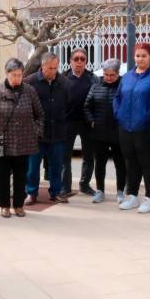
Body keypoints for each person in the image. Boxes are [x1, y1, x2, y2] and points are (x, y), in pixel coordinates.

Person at [0, 58, 43, 218]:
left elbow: (40, 115)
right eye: (14, 75)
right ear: (6, 73)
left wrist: (36, 132)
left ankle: (18, 205)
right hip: (1, 141)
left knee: (21, 175)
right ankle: (4, 206)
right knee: (2, 176)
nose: (17, 78)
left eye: (19, 75)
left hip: (24, 141)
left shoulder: (29, 91)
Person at [114, 42, 150, 214]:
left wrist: (145, 117)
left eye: (144, 55)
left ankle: (149, 198)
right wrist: (118, 114)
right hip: (126, 127)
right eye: (138, 55)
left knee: (147, 162)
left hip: (147, 128)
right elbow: (117, 97)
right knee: (130, 162)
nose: (140, 58)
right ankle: (133, 196)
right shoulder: (128, 76)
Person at [24, 53, 73, 204]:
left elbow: (68, 104)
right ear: (42, 67)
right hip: (36, 134)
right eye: (50, 68)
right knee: (32, 167)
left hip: (57, 132)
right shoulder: (30, 82)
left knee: (56, 166)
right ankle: (31, 193)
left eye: (56, 68)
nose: (54, 72)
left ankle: (56, 192)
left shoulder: (64, 82)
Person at [84, 58, 126, 203]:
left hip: (118, 132)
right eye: (106, 74)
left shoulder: (124, 86)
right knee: (99, 163)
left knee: (120, 163)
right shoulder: (96, 86)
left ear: (118, 73)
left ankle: (120, 191)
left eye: (112, 75)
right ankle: (100, 190)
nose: (108, 78)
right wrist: (92, 121)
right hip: (99, 133)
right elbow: (87, 106)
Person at [63, 48, 98, 196]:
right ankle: (65, 187)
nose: (79, 62)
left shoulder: (93, 78)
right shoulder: (62, 78)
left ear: (86, 61)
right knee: (65, 157)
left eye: (82, 59)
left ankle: (85, 185)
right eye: (76, 59)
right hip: (68, 123)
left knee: (89, 157)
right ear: (70, 61)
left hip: (87, 123)